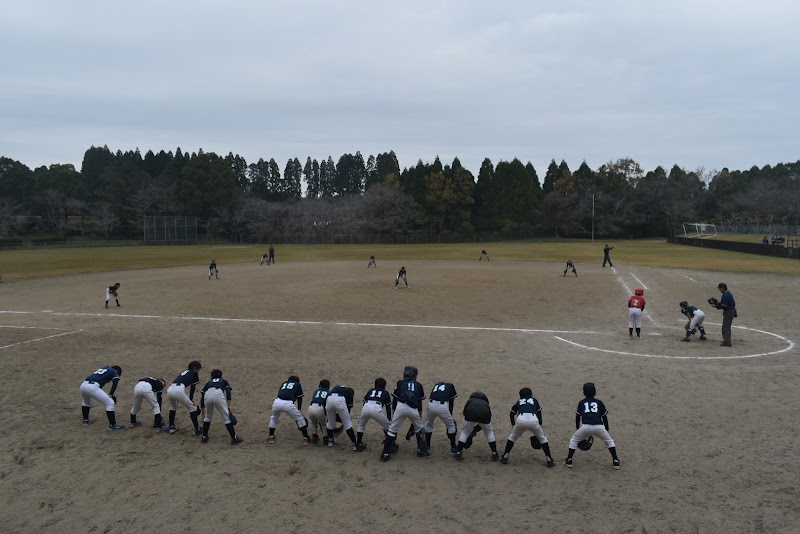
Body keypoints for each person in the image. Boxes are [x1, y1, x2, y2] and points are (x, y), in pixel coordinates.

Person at [563, 382, 620, 470]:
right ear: (595, 392)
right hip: (599, 427)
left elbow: (578, 416)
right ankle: (615, 461)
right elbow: (604, 416)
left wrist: (578, 428)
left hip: (585, 426)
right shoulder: (599, 402)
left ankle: (569, 460)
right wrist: (606, 428)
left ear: (584, 392)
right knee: (609, 441)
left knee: (574, 440)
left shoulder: (582, 402)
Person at [380, 366, 428, 462]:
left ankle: (385, 453)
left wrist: (394, 412)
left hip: (401, 406)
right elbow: (419, 404)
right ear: (414, 375)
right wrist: (419, 416)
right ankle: (421, 450)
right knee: (420, 429)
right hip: (413, 409)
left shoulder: (400, 383)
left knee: (392, 429)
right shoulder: (418, 385)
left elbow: (395, 399)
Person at [499, 388, 555, 467]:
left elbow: (512, 413)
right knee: (543, 439)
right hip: (533, 420)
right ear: (531, 394)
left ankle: (505, 456)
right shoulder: (534, 400)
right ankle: (549, 460)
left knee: (512, 438)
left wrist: (513, 425)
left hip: (520, 420)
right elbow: (539, 413)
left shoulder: (519, 401)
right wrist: (540, 425)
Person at [199, 369, 243, 445]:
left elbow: (202, 396)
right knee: (226, 417)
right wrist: (229, 406)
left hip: (207, 395)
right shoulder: (223, 381)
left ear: (211, 377)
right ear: (221, 376)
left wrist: (203, 412)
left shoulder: (209, 382)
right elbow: (228, 392)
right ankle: (234, 438)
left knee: (208, 417)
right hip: (218, 394)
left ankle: (204, 436)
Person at [453, 391, 498, 461]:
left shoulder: (470, 400)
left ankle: (458, 452)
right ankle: (494, 453)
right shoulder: (485, 403)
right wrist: (475, 429)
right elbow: (487, 418)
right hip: (484, 415)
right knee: (489, 433)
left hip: (470, 414)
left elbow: (464, 412)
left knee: (464, 433)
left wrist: (470, 427)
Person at [268, 375, 312, 445]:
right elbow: (300, 398)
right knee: (300, 419)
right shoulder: (297, 384)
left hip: (277, 402)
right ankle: (306, 438)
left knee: (274, 418)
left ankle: (270, 437)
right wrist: (299, 409)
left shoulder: (284, 383)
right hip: (288, 403)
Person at [80, 365, 126, 430]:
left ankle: (85, 421)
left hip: (83, 385)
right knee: (110, 403)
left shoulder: (105, 368)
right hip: (92, 387)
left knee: (86, 401)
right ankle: (113, 425)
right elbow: (115, 381)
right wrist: (111, 394)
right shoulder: (113, 371)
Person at [355, 378, 393, 452]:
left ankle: (358, 443)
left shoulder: (370, 391)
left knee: (361, 425)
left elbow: (364, 402)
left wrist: (362, 415)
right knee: (389, 427)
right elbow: (388, 408)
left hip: (366, 407)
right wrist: (389, 419)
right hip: (376, 408)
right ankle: (391, 445)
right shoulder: (385, 392)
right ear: (384, 386)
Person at [166, 361, 203, 435]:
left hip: (170, 389)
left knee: (173, 407)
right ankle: (197, 429)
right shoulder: (194, 373)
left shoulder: (185, 372)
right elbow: (192, 388)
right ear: (195, 368)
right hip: (179, 390)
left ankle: (171, 426)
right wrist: (191, 401)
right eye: (199, 370)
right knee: (192, 409)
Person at [424, 380, 458, 453]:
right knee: (451, 425)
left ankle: (427, 447)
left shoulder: (436, 385)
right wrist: (450, 415)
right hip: (442, 406)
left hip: (430, 405)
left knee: (429, 424)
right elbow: (451, 401)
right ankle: (453, 448)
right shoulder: (450, 386)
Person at [324, 384, 359, 449]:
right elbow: (348, 408)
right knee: (347, 423)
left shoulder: (336, 387)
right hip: (339, 400)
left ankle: (330, 441)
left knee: (330, 422)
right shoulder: (349, 392)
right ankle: (355, 444)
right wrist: (344, 421)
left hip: (329, 399)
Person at [712, 283, 737, 347]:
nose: (719, 290)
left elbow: (724, 306)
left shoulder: (726, 295)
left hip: (729, 312)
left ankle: (727, 342)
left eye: (720, 289)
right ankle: (726, 340)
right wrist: (717, 303)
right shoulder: (727, 294)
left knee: (725, 327)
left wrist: (716, 305)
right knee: (726, 327)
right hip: (730, 311)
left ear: (722, 288)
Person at [307, 379, 330, 444]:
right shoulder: (328, 392)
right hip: (320, 408)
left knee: (314, 423)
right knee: (324, 424)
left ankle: (314, 436)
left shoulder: (316, 391)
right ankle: (325, 438)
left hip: (311, 407)